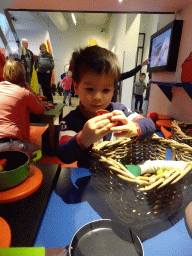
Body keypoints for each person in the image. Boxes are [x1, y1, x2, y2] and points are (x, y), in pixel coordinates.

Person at [56, 46, 155, 168]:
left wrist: (134, 128)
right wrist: (82, 139)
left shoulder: (119, 111)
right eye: (90, 89)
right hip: (88, 176)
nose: (98, 97)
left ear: (114, 91)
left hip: (119, 175)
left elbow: (150, 124)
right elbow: (64, 155)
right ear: (76, 87)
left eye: (106, 90)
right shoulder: (70, 120)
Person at [0, 60, 45, 158]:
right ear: (22, 75)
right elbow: (41, 109)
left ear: (4, 74)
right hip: (12, 144)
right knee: (39, 153)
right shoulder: (24, 93)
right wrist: (30, 90)